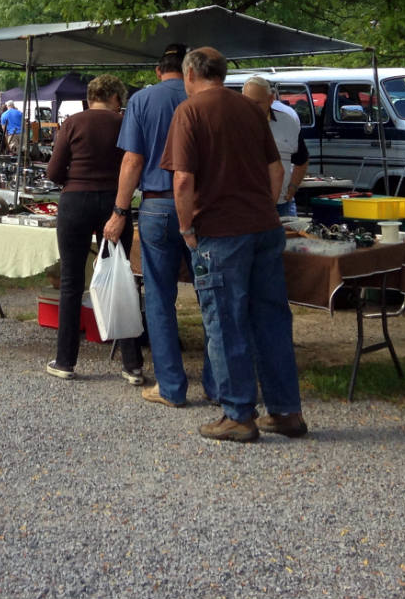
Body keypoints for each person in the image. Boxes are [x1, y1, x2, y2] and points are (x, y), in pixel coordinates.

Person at [160, 46, 305, 444]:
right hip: (264, 227)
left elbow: (184, 180)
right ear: (222, 74)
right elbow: (276, 168)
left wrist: (188, 228)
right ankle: (286, 411)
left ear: (190, 74)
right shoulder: (249, 109)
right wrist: (268, 208)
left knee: (225, 323)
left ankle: (238, 414)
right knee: (272, 320)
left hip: (220, 233)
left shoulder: (189, 111)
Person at [108, 43, 201, 409]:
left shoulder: (144, 100)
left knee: (161, 300)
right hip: (202, 205)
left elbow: (132, 161)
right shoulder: (206, 97)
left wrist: (119, 210)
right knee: (210, 296)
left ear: (159, 71)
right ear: (188, 70)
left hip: (157, 205)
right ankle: (217, 384)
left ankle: (171, 387)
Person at [43, 74, 146, 384]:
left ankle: (65, 360)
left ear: (90, 98)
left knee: (71, 281)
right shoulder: (125, 123)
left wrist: (74, 181)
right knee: (121, 277)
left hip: (75, 201)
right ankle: (132, 365)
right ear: (116, 99)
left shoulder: (74, 122)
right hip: (115, 202)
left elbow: (53, 171)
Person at [240, 76, 309, 218]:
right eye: (248, 102)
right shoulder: (234, 124)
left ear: (270, 99)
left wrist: (293, 187)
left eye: (257, 103)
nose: (252, 108)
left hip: (282, 204)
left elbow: (301, 160)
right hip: (246, 206)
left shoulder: (287, 122)